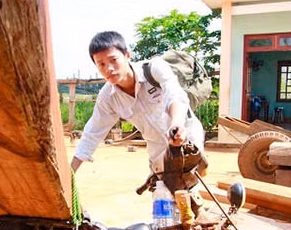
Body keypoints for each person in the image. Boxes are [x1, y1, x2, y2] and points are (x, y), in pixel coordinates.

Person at [71, 31, 205, 177]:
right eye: (101, 64)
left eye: (113, 60)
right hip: (157, 150)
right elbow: (93, 132)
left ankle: (200, 167)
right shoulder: (107, 97)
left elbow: (175, 96)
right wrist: (69, 173)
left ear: (127, 55)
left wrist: (176, 125)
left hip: (187, 137)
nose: (108, 68)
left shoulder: (154, 69)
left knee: (187, 183)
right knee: (162, 189)